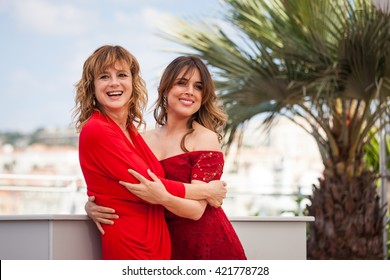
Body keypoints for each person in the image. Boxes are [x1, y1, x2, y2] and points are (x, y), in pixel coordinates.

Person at [86, 55, 247, 260]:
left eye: (198, 87)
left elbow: (196, 211)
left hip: (205, 245)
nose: (190, 91)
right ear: (166, 88)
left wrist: (162, 197)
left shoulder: (205, 139)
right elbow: (121, 184)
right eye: (182, 83)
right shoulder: (140, 139)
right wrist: (91, 205)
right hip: (160, 243)